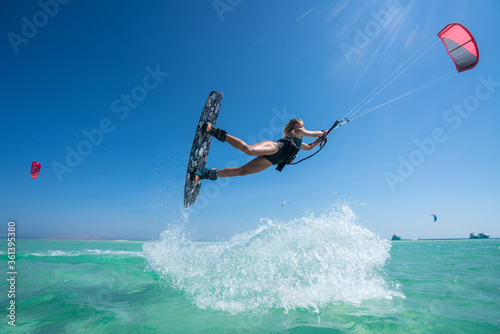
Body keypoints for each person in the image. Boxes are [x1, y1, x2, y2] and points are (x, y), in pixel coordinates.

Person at [194, 118, 326, 181]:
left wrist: (320, 139)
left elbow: (308, 147)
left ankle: (208, 173)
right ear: (295, 125)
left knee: (242, 172)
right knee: (249, 150)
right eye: (301, 124)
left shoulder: (298, 143)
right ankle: (216, 131)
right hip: (276, 148)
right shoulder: (297, 131)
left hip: (272, 161)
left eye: (303, 125)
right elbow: (313, 133)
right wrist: (322, 132)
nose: (303, 126)